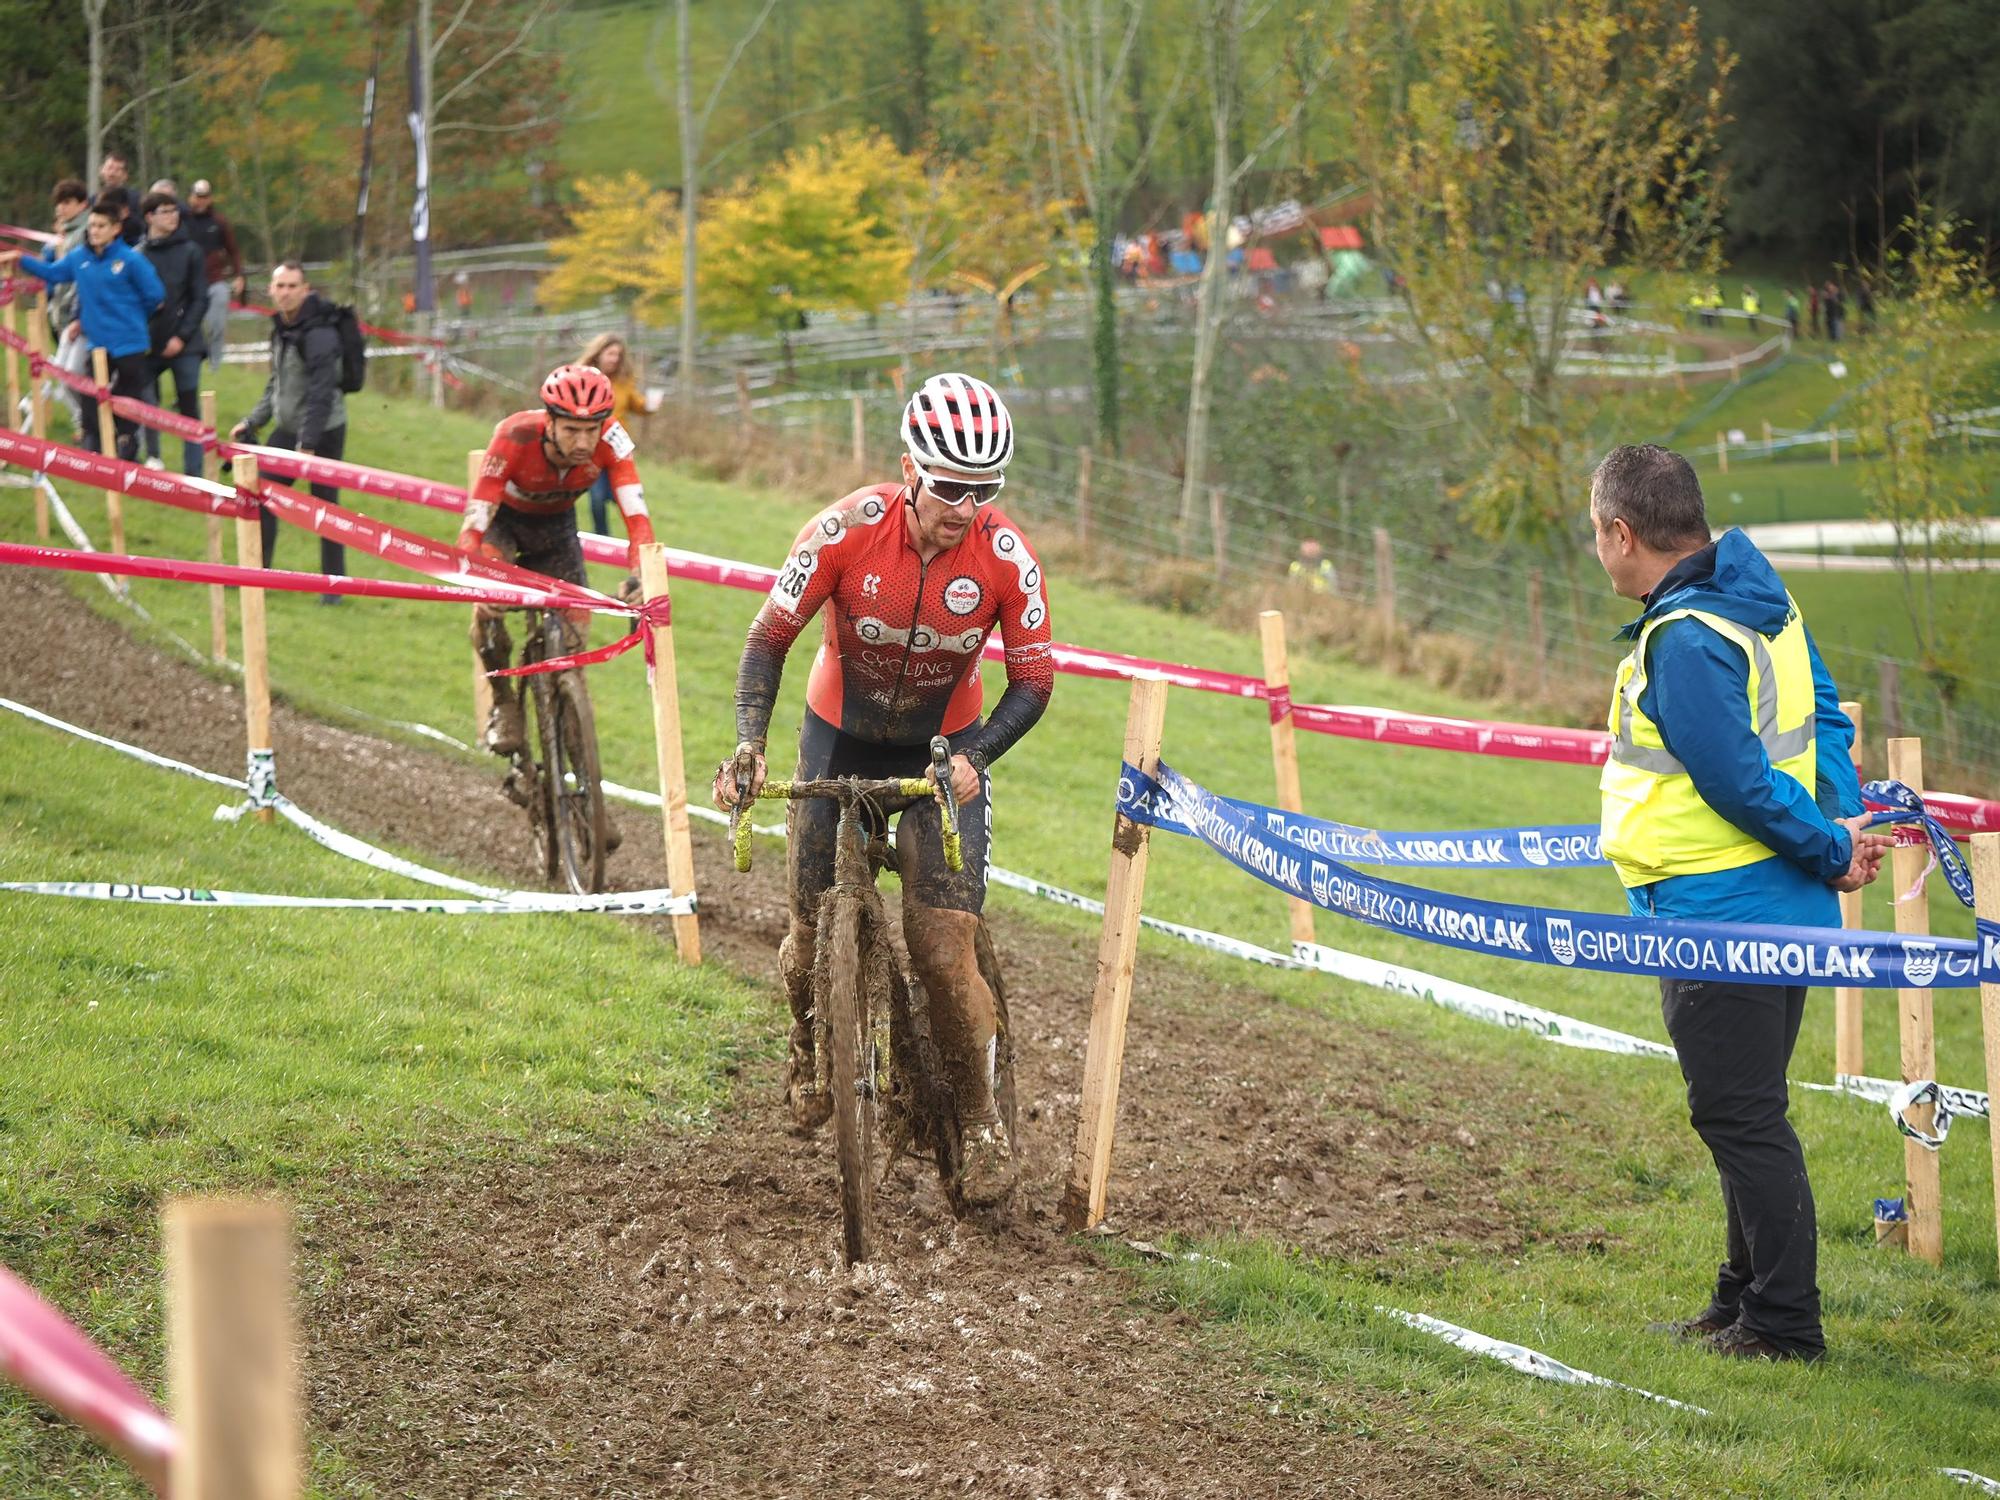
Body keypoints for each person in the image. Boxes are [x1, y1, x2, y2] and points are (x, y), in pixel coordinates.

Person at [713, 372, 1055, 1206]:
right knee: (804, 932)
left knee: (940, 951)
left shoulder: (1006, 557)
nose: (964, 506)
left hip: (944, 752)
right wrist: (750, 745)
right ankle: (806, 1043)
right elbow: (768, 639)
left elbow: (1035, 680)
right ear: (909, 470)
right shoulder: (843, 530)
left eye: (984, 490)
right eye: (948, 486)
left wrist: (977, 755)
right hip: (839, 736)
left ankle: (981, 1120)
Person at [1589, 443, 1888, 1364]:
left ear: (1622, 533)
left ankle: (1784, 1325)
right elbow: (1826, 717)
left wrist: (1832, 844)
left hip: (1720, 908)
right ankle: (1741, 1301)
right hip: (1769, 900)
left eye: (1595, 532)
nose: (1596, 549)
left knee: (1740, 1116)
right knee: (1744, 1108)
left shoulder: (1686, 637)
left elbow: (1737, 782)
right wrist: (1836, 824)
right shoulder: (1760, 598)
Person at [456, 363, 655, 758]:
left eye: (590, 430)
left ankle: (573, 732)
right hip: (503, 526)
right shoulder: (514, 434)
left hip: (556, 531)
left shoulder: (614, 439)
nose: (583, 442)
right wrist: (478, 576)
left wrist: (641, 574)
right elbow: (475, 524)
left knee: (575, 640)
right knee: (488, 613)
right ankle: (504, 703)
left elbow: (637, 519)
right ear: (549, 421)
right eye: (571, 430)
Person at [2, 200, 163, 460]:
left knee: (127, 400)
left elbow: (155, 294)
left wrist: (132, 316)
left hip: (129, 342)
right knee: (90, 399)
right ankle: (94, 452)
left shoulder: (131, 259)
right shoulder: (79, 258)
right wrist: (21, 259)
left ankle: (127, 447)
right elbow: (52, 273)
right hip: (97, 344)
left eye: (101, 226)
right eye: (91, 226)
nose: (94, 231)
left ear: (115, 229)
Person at [229, 262, 350, 593]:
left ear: (305, 289)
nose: (285, 293)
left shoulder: (320, 334)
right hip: (287, 429)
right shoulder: (281, 327)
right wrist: (253, 421)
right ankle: (256, 574)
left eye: (292, 286)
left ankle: (335, 587)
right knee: (260, 495)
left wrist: (307, 444)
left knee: (326, 510)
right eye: (279, 286)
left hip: (323, 432)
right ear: (271, 289)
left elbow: (322, 393)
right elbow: (277, 382)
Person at [137, 191, 207, 476]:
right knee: (146, 404)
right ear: (149, 217)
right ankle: (153, 458)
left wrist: (182, 337)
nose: (172, 216)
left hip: (185, 345)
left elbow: (199, 298)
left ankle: (194, 474)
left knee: (189, 408)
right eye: (165, 211)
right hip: (148, 345)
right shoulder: (137, 255)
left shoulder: (191, 251)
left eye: (174, 210)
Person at [576, 333, 648, 536]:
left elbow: (636, 404)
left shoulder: (624, 381)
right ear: (598, 353)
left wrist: (649, 406)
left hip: (618, 446)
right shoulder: (583, 376)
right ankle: (603, 538)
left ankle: (639, 538)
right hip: (593, 446)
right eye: (610, 354)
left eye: (618, 355)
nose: (614, 359)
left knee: (626, 497)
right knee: (598, 497)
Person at [40, 179, 92, 434]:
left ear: (82, 204)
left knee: (71, 375)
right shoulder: (66, 233)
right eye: (58, 203)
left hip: (79, 314)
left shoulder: (84, 232)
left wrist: (76, 314)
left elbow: (82, 277)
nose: (61, 208)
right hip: (63, 310)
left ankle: (90, 423)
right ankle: (87, 424)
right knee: (66, 375)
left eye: (67, 202)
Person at [182, 180, 245, 372]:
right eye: (197, 197)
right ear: (190, 197)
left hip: (215, 280)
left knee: (216, 324)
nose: (201, 201)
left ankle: (215, 365)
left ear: (210, 198)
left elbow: (233, 250)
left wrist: (239, 275)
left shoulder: (219, 221)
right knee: (190, 326)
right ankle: (193, 361)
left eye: (204, 197)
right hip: (188, 284)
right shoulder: (182, 221)